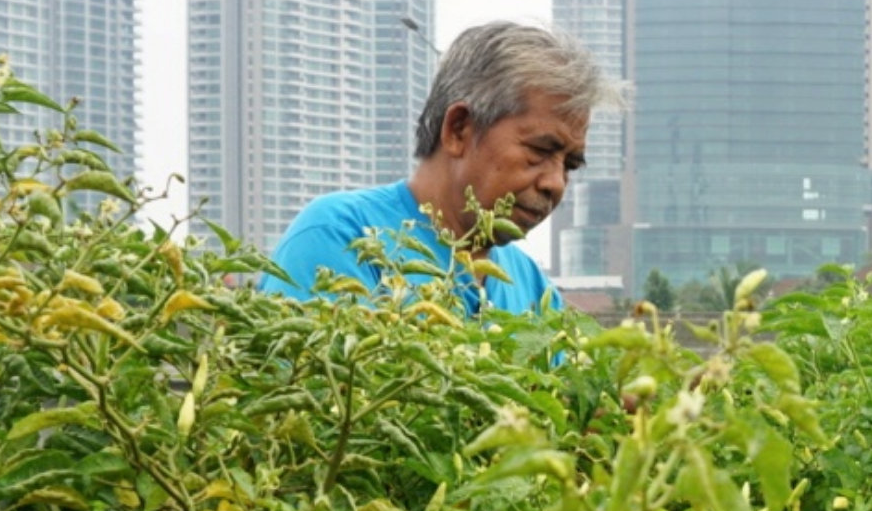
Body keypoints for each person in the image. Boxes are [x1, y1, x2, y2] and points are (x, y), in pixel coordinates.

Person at [261, 21, 617, 313]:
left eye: (570, 165)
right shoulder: (343, 237)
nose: (555, 184)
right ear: (458, 129)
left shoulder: (529, 284)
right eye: (540, 150)